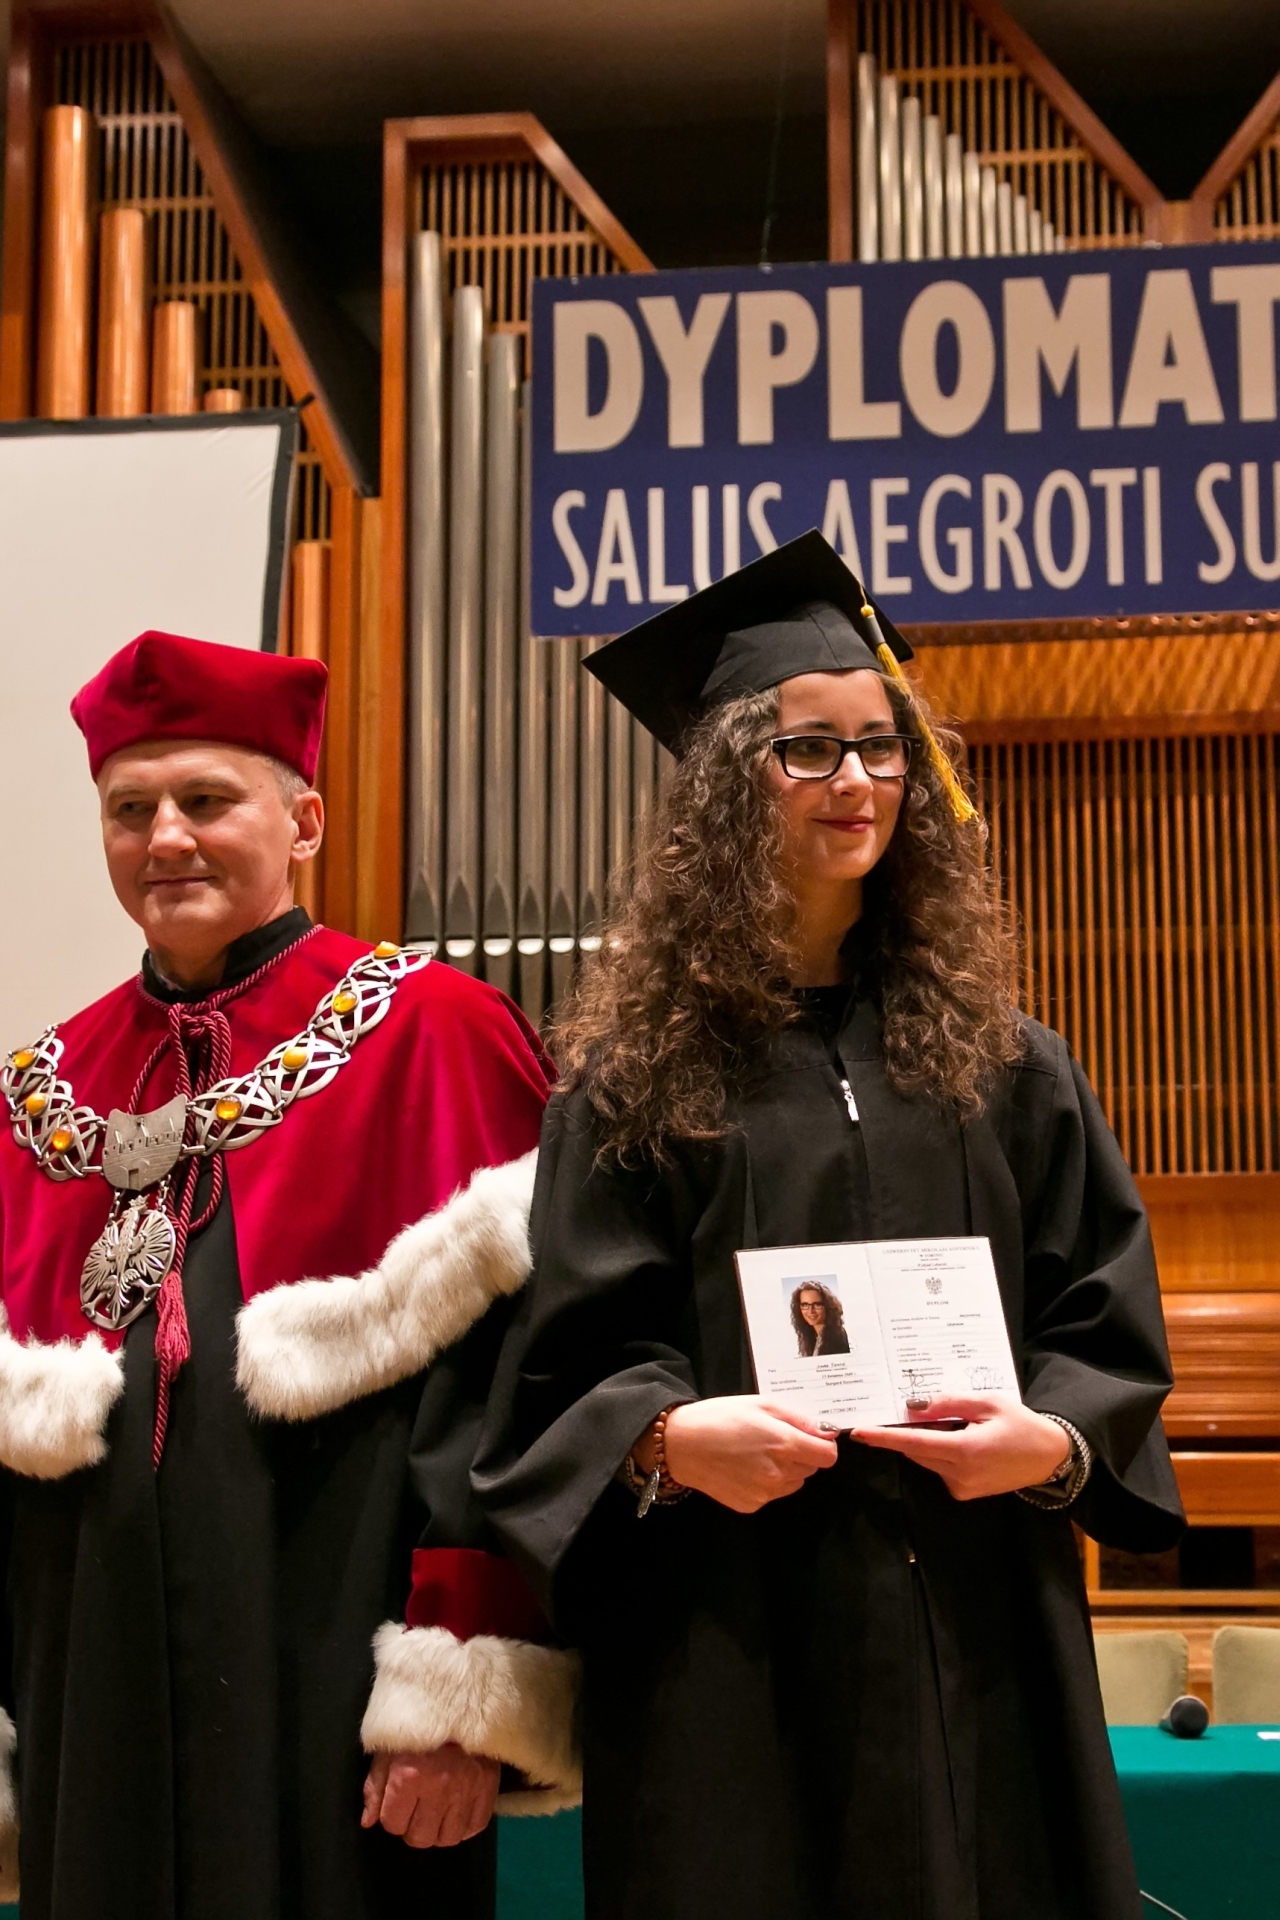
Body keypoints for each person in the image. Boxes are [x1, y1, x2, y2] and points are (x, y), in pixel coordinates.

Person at [474, 532, 1185, 1920]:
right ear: (729, 785)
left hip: (978, 1616)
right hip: (732, 1630)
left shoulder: (1004, 1064)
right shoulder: (637, 1080)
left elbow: (1100, 1313)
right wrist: (671, 1440)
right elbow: (566, 1359)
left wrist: (1049, 1442)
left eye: (880, 746)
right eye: (806, 749)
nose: (854, 780)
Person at [0, 632, 578, 1920]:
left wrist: (456, 1693)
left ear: (303, 822)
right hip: (88, 1689)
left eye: (207, 800)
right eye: (130, 810)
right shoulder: (42, 1090)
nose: (166, 838)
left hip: (333, 1679)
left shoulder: (434, 1033)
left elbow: (524, 1386)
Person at [790, 1281, 850, 1358]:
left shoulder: (839, 1339)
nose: (811, 1311)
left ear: (828, 1307)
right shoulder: (814, 1338)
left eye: (817, 1305)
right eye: (805, 1305)